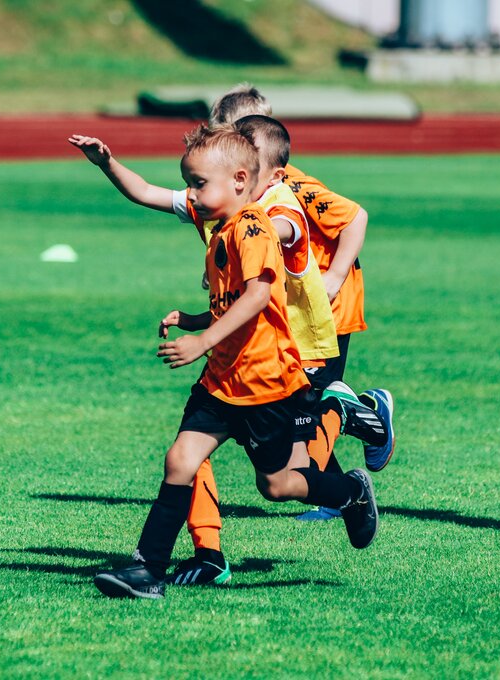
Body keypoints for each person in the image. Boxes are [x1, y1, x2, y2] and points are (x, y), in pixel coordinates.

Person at [69, 117, 393, 586]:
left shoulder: (255, 228)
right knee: (180, 459)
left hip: (266, 383)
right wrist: (106, 163)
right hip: (221, 381)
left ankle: (350, 493)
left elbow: (259, 296)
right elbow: (145, 193)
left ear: (240, 180)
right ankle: (147, 569)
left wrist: (201, 340)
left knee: (277, 485)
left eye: (198, 184)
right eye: (189, 183)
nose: (191, 193)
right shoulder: (217, 218)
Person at [209, 84, 388, 523]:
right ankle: (336, 472)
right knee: (299, 405)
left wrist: (335, 277)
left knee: (308, 404)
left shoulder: (293, 183)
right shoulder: (238, 188)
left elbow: (355, 217)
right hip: (287, 311)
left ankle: (361, 422)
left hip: (324, 308)